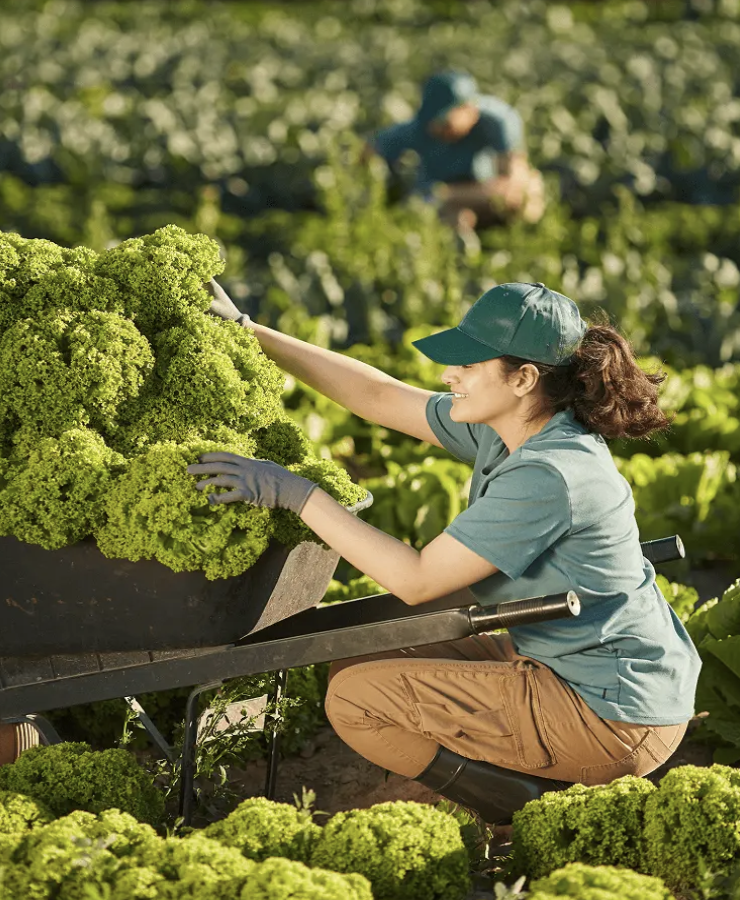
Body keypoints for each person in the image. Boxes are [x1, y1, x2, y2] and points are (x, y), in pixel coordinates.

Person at [191, 280, 701, 825]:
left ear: (524, 378)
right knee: (363, 660)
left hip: (610, 716)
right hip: (577, 670)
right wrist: (251, 332)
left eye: (467, 364)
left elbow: (416, 580)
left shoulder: (549, 473)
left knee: (355, 701)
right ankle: (520, 777)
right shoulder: (511, 429)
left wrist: (294, 492)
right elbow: (378, 397)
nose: (447, 375)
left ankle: (526, 807)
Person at [364, 71, 546, 254]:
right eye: (433, 123)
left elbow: (511, 187)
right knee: (455, 221)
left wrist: (445, 193)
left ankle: (523, 247)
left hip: (477, 194)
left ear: (469, 109)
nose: (438, 130)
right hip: (448, 205)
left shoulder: (497, 121)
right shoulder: (417, 130)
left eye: (445, 124)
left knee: (528, 199)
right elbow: (370, 150)